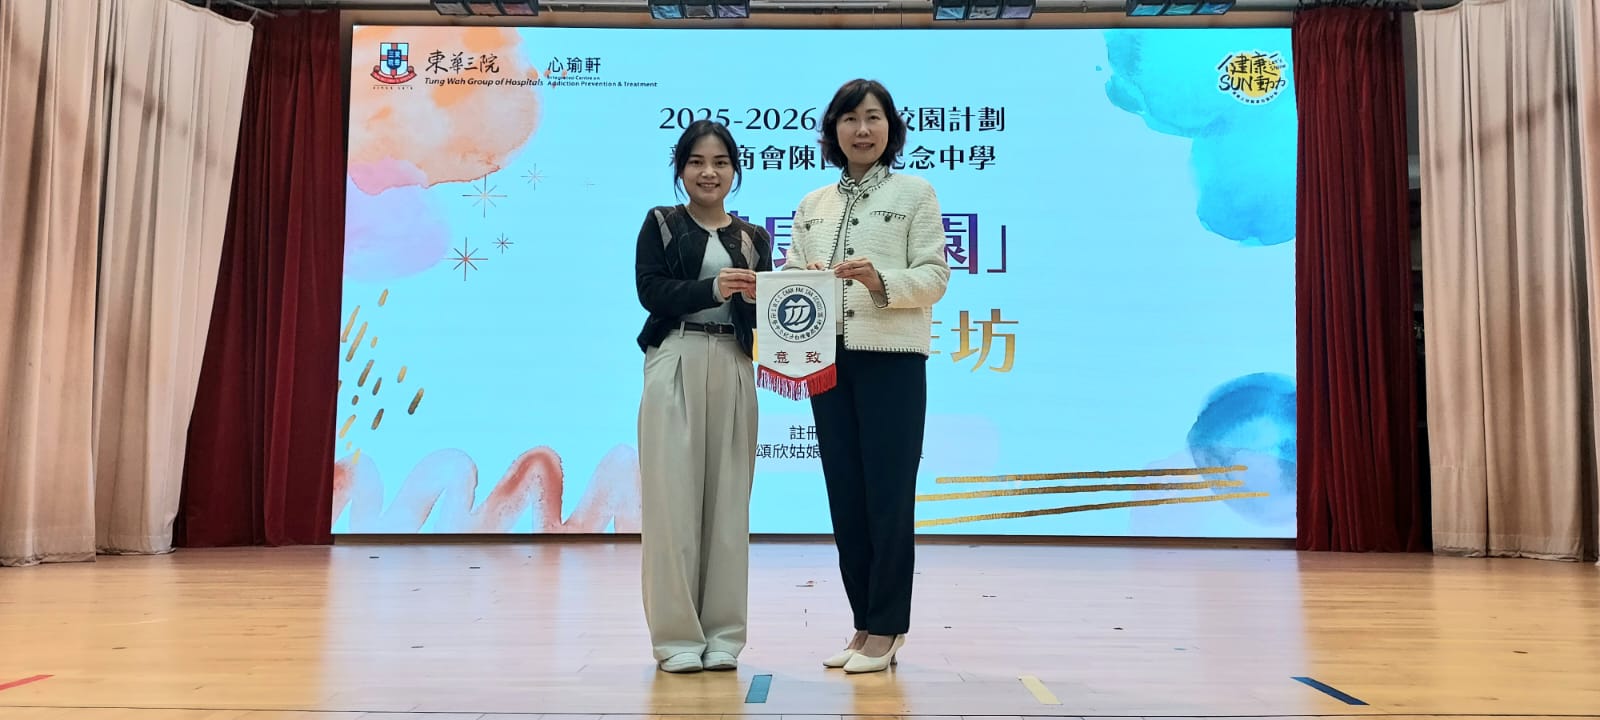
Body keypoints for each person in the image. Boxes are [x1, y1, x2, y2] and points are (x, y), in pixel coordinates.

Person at [783, 79, 950, 674]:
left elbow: (934, 277)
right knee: (846, 496)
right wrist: (794, 280)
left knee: (888, 495)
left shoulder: (915, 193)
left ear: (891, 128)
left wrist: (880, 280)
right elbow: (791, 278)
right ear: (833, 130)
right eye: (850, 118)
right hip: (825, 360)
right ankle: (864, 622)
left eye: (874, 117)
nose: (862, 129)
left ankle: (889, 626)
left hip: (892, 360)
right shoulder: (813, 203)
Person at [634, 120, 773, 673]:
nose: (708, 172)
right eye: (696, 162)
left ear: (735, 170)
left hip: (734, 363)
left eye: (719, 162)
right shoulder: (662, 223)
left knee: (729, 504)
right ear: (681, 170)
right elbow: (650, 290)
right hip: (676, 356)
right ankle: (675, 638)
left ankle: (724, 637)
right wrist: (711, 288)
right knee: (672, 503)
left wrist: (769, 296)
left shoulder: (754, 238)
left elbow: (765, 316)